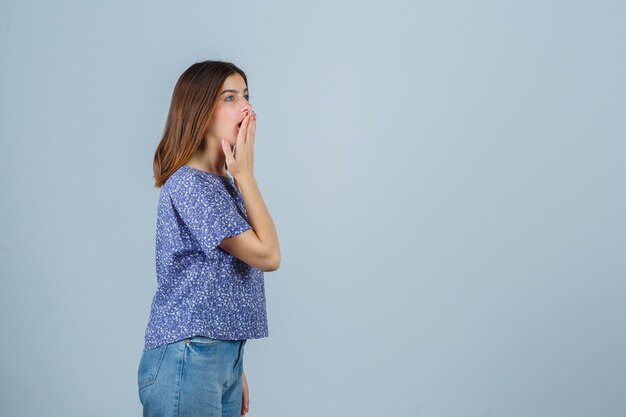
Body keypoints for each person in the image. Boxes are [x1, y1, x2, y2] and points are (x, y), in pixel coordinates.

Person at [137, 60, 280, 417]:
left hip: (216, 357)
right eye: (230, 97)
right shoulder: (189, 184)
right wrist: (246, 175)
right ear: (200, 111)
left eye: (246, 95)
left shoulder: (222, 185)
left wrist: (233, 364)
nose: (246, 106)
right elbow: (268, 255)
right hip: (190, 356)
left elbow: (218, 281)